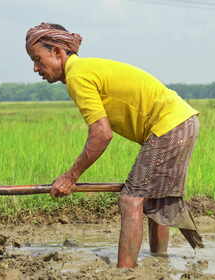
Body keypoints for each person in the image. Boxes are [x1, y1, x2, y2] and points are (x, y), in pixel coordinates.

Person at [25, 22, 203, 268]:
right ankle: (159, 262)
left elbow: (101, 134)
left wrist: (70, 177)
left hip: (169, 126)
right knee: (154, 197)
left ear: (57, 52)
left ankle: (125, 271)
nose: (35, 68)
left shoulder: (78, 75)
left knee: (131, 199)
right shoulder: (84, 70)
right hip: (181, 121)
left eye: (37, 59)